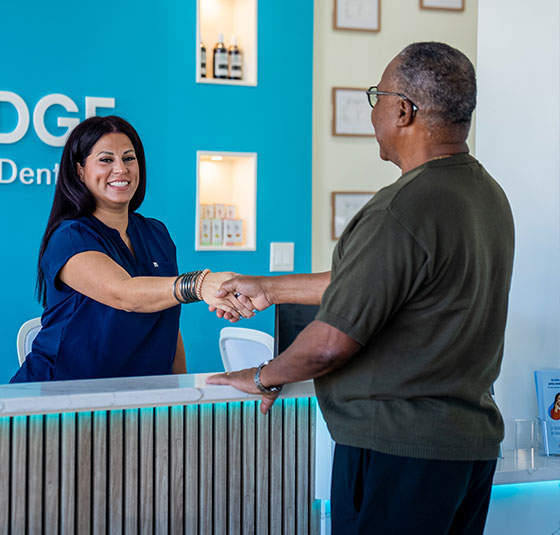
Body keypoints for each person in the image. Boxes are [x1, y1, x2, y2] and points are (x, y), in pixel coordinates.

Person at [208, 42, 515, 535]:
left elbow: (329, 344)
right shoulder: (485, 195)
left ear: (403, 110)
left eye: (377, 97)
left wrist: (263, 376)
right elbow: (377, 281)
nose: (373, 112)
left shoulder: (402, 207)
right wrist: (269, 288)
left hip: (398, 453)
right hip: (467, 451)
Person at [10, 116, 252, 383]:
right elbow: (124, 294)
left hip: (139, 395)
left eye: (128, 158)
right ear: (79, 171)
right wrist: (199, 284)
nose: (120, 169)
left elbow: (168, 324)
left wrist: (181, 392)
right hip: (59, 394)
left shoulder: (156, 233)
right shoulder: (70, 237)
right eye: (106, 160)